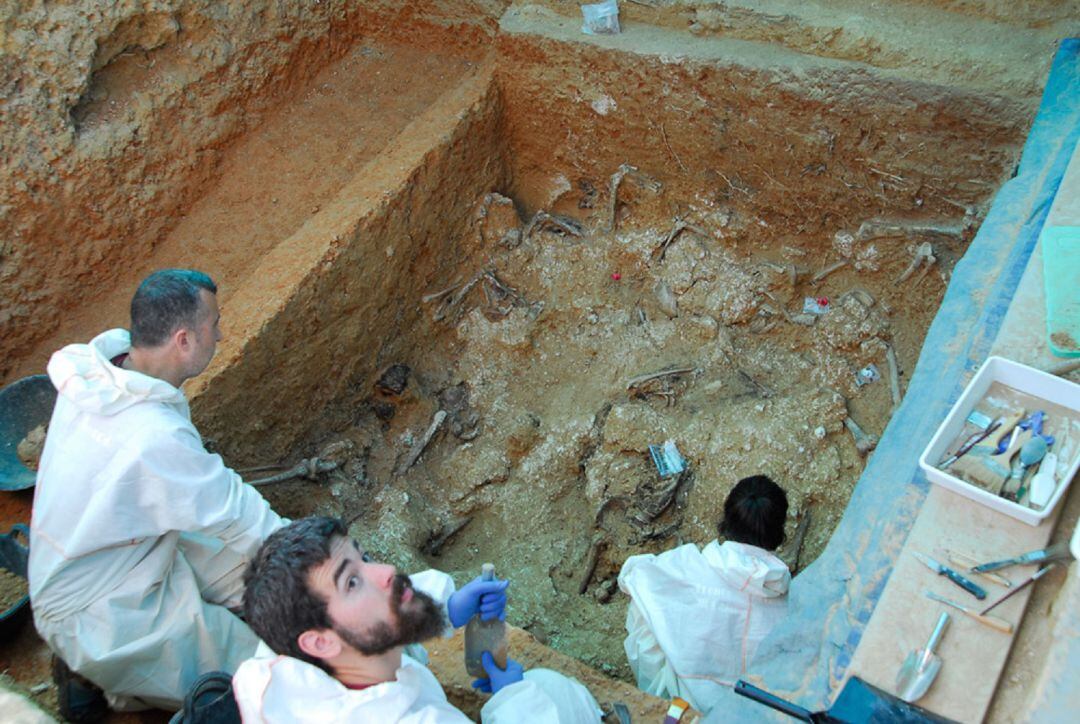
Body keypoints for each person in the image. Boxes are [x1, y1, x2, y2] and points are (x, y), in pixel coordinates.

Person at [29, 269, 285, 718]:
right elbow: (241, 517)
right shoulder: (153, 438)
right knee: (264, 680)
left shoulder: (103, 371)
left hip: (113, 545)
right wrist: (329, 563)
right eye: (214, 326)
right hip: (97, 610)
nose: (221, 335)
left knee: (252, 578)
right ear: (184, 340)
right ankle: (95, 678)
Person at [233, 516, 603, 723]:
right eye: (352, 581)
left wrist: (448, 608)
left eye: (364, 557)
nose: (387, 571)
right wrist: (516, 700)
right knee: (550, 691)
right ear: (320, 642)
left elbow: (374, 632)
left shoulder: (293, 664)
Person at [618, 475, 791, 713]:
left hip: (686, 705)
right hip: (753, 715)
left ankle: (661, 705)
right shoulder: (792, 603)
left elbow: (632, 574)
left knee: (646, 605)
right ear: (778, 530)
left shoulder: (686, 566)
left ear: (726, 520)